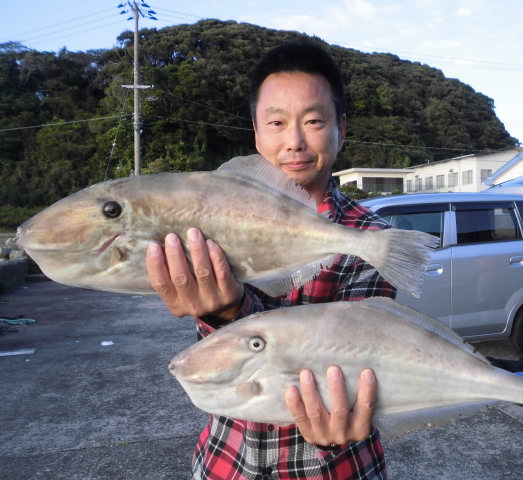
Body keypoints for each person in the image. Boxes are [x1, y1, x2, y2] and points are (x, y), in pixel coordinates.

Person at [146, 40, 395, 480]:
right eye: (276, 123)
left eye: (314, 121)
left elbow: (362, 352)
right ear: (257, 133)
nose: (294, 142)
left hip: (336, 467)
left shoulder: (370, 238)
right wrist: (214, 310)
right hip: (226, 459)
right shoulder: (214, 214)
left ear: (341, 128)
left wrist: (228, 311)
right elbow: (222, 363)